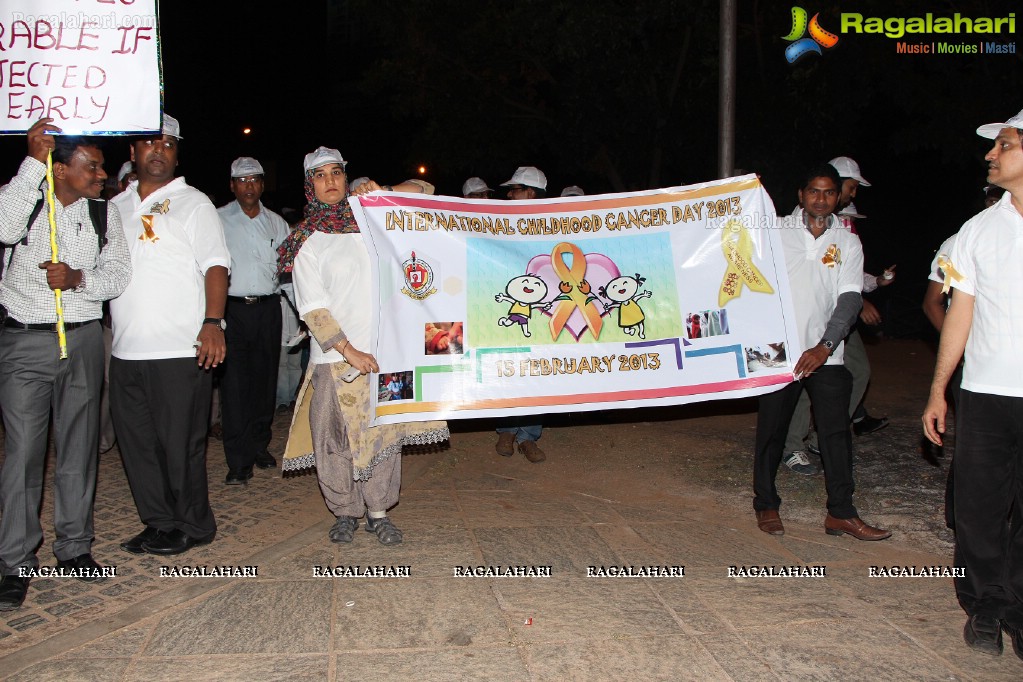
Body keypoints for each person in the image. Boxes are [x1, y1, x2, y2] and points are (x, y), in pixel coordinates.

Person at [280, 146, 448, 546]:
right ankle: (345, 511)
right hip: (333, 359)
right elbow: (312, 307)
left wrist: (383, 190)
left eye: (336, 172)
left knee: (386, 435)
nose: (330, 181)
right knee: (333, 439)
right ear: (310, 185)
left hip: (387, 353)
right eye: (320, 175)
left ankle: (378, 511)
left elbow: (426, 188)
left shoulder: (375, 219)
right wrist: (348, 349)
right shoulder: (307, 239)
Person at [0, 119, 132, 611]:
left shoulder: (104, 215)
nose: (101, 175)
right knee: (24, 456)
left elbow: (118, 274)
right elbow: (2, 228)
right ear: (60, 170)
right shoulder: (26, 199)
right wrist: (32, 160)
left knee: (79, 449)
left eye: (100, 166)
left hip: (81, 341)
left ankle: (75, 547)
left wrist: (78, 279)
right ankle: (15, 561)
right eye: (91, 167)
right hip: (26, 344)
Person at [923, 107, 1023, 660]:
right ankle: (985, 607)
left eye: (1004, 145)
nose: (991, 154)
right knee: (978, 508)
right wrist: (940, 389)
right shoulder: (977, 231)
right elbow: (957, 313)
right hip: (985, 393)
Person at [109, 114, 230, 556]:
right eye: (148, 142)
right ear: (133, 152)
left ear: (177, 153)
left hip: (180, 348)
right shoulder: (114, 207)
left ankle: (194, 524)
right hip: (126, 350)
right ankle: (158, 522)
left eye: (168, 144)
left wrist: (212, 323)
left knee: (180, 444)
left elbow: (216, 264)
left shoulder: (192, 202)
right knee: (138, 445)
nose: (158, 150)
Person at [753, 164, 890, 541]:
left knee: (835, 434)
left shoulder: (847, 241)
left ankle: (841, 513)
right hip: (776, 349)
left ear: (837, 197)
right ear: (801, 195)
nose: (821, 198)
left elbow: (849, 299)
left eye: (829, 192)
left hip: (828, 351)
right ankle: (766, 503)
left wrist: (825, 346)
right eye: (814, 191)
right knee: (772, 430)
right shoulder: (774, 231)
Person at [781, 157, 892, 475]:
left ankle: (822, 443)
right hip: (801, 324)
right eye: (851, 186)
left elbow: (848, 285)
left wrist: (864, 293)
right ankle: (791, 448)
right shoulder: (782, 230)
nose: (851, 193)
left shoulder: (845, 233)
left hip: (834, 324)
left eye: (830, 192)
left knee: (849, 372)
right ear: (803, 194)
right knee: (801, 377)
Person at [217, 157, 290, 485]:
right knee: (234, 385)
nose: (248, 186)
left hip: (267, 309)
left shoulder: (276, 223)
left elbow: (289, 272)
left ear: (262, 184)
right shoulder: (217, 220)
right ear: (232, 185)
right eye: (241, 180)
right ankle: (238, 459)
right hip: (231, 310)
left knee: (265, 381)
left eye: (254, 180)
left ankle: (259, 445)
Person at [494, 166, 548, 463]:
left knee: (536, 371)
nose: (509, 194)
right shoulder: (500, 223)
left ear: (530, 193)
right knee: (507, 365)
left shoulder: (555, 224)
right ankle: (506, 429)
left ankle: (528, 436)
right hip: (509, 307)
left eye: (514, 190)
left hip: (540, 311)